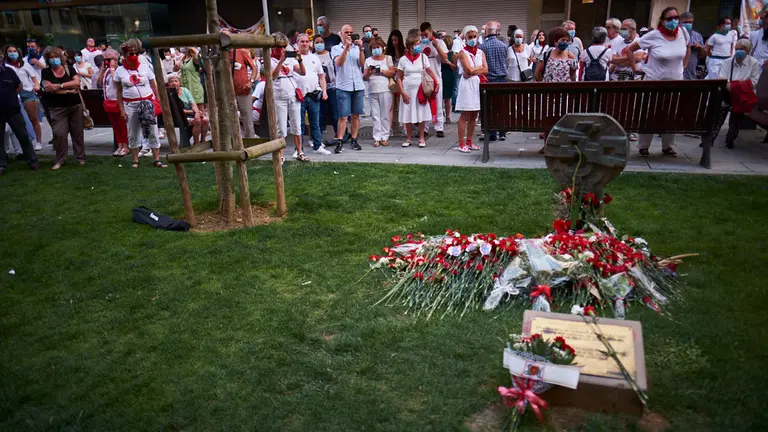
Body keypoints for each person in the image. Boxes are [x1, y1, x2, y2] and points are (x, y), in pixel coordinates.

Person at [627, 6, 690, 157]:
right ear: (662, 21)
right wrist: (635, 67)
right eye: (670, 19)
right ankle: (643, 146)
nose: (674, 21)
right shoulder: (653, 35)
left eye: (676, 18)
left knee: (671, 115)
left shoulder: (683, 33)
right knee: (650, 114)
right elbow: (630, 49)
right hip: (654, 82)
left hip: (675, 82)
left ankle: (667, 146)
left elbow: (687, 48)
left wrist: (685, 65)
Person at [114, 39, 166, 169]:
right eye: (131, 54)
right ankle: (135, 160)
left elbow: (154, 84)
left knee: (153, 130)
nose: (134, 56)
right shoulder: (119, 71)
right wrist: (121, 110)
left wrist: (158, 100)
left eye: (136, 53)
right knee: (133, 132)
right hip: (130, 105)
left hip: (147, 103)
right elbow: (118, 92)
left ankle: (156, 159)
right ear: (124, 56)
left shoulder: (144, 67)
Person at [40, 46, 85, 170]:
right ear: (47, 60)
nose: (54, 59)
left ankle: (80, 158)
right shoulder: (45, 72)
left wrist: (59, 85)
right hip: (56, 107)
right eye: (51, 58)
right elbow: (48, 89)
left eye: (56, 57)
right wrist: (68, 91)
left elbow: (77, 83)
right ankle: (60, 159)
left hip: (74, 105)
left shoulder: (70, 69)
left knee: (77, 133)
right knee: (59, 134)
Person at [269, 34, 308, 162]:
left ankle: (299, 151)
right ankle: (281, 155)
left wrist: (300, 59)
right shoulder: (269, 59)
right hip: (279, 95)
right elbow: (273, 76)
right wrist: (281, 60)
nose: (282, 49)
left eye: (284, 47)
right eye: (279, 47)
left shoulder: (290, 59)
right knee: (281, 127)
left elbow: (302, 72)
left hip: (293, 95)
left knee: (297, 125)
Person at [396, 34, 439, 147]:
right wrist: (402, 92)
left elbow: (429, 71)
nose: (417, 46)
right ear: (409, 47)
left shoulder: (423, 57)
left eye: (418, 44)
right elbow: (399, 78)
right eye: (415, 45)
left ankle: (421, 138)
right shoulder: (403, 60)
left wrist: (436, 81)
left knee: (421, 113)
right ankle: (408, 138)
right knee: (408, 114)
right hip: (407, 89)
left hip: (420, 90)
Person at [717, 39, 760, 149]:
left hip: (743, 94)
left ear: (748, 50)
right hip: (728, 92)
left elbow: (754, 82)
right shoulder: (727, 62)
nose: (738, 51)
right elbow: (722, 79)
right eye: (737, 49)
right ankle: (712, 137)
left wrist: (736, 86)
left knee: (737, 116)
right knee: (720, 113)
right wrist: (734, 86)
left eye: (742, 49)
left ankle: (730, 139)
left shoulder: (753, 63)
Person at [330, 24, 366, 153]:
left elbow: (362, 64)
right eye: (346, 32)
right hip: (343, 86)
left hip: (358, 85)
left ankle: (354, 140)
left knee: (356, 115)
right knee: (343, 116)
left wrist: (361, 48)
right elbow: (339, 62)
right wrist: (346, 48)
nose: (349, 34)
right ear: (341, 34)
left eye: (351, 32)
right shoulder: (335, 48)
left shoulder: (357, 48)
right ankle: (340, 141)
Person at [0, 62, 38, 174]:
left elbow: (19, 85)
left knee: (23, 135)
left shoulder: (9, 71)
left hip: (13, 110)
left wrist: (10, 96)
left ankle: (32, 160)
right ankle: (2, 164)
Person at [3, 45, 43, 151]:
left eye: (14, 51)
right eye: (10, 51)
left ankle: (38, 142)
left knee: (33, 119)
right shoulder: (5, 67)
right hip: (14, 95)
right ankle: (21, 146)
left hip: (27, 93)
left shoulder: (25, 64)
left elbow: (34, 79)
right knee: (20, 122)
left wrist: (36, 86)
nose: (12, 53)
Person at [295, 33, 329, 155]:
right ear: (297, 43)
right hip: (298, 95)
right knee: (299, 124)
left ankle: (318, 146)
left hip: (313, 94)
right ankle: (298, 150)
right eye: (302, 42)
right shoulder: (293, 58)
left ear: (309, 43)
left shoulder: (315, 57)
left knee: (315, 122)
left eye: (306, 41)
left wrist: (324, 91)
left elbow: (321, 76)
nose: (304, 44)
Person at [455, 25, 487, 153]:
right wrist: (478, 69)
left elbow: (486, 69)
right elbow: (467, 70)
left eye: (474, 36)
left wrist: (474, 70)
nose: (472, 39)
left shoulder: (481, 52)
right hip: (467, 86)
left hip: (476, 84)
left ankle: (469, 141)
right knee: (465, 114)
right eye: (470, 37)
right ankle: (461, 143)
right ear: (466, 38)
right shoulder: (463, 53)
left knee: (474, 114)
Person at [96, 48, 129, 157]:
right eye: (105, 59)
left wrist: (113, 69)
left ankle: (125, 146)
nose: (107, 61)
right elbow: (99, 83)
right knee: (115, 126)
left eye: (109, 59)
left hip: (118, 102)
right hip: (108, 101)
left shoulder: (120, 70)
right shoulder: (105, 72)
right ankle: (119, 146)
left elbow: (116, 83)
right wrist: (102, 69)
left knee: (122, 125)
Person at [419, 22, 449, 138]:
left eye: (426, 34)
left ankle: (439, 127)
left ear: (431, 31)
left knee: (437, 103)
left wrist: (436, 46)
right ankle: (425, 128)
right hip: (423, 77)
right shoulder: (419, 44)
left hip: (436, 76)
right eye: (422, 35)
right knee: (424, 103)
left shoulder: (440, 42)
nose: (424, 37)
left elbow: (445, 58)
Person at [364, 37, 395, 147]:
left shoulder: (388, 58)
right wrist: (369, 72)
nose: (375, 49)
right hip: (373, 90)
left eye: (377, 47)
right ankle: (377, 137)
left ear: (383, 48)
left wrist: (381, 71)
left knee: (385, 114)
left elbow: (392, 72)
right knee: (375, 115)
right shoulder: (368, 60)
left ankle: (385, 137)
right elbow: (365, 77)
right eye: (373, 48)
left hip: (385, 89)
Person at [480, 21, 507, 141]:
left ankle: (491, 133)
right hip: (502, 79)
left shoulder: (482, 47)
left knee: (489, 108)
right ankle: (502, 132)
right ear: (496, 32)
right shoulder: (503, 46)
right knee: (501, 107)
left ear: (486, 33)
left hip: (489, 80)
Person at [229, 40, 259, 138]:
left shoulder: (240, 52)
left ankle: (250, 143)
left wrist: (251, 81)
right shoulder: (219, 54)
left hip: (243, 90)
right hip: (228, 92)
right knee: (230, 118)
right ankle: (234, 142)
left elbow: (254, 68)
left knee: (247, 118)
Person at [168, 74, 209, 145]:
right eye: (171, 82)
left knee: (205, 120)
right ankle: (196, 142)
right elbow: (179, 111)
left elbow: (193, 104)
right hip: (179, 117)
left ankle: (203, 140)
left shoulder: (185, 90)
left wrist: (197, 112)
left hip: (190, 114)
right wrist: (193, 112)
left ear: (179, 83)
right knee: (197, 121)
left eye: (176, 81)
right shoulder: (169, 94)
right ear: (169, 84)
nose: (174, 83)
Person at [314, 35, 338, 137]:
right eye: (317, 42)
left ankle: (339, 134)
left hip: (332, 87)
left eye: (321, 42)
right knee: (320, 113)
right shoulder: (312, 56)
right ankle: (318, 136)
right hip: (318, 89)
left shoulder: (331, 55)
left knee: (335, 112)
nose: (319, 44)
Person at [387, 30, 406, 128]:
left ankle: (404, 126)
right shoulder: (388, 52)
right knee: (390, 105)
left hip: (402, 79)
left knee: (402, 103)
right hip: (391, 79)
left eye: (396, 40)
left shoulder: (405, 51)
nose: (394, 42)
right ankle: (389, 127)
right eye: (392, 40)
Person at [681, 12, 705, 80]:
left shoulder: (697, 36)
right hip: (677, 72)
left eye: (690, 22)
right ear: (680, 22)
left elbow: (702, 55)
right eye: (686, 22)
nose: (688, 24)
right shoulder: (675, 35)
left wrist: (700, 47)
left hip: (691, 72)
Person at [441, 35, 457, 124]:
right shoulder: (441, 53)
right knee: (444, 98)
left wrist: (448, 63)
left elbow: (456, 67)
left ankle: (447, 116)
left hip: (448, 75)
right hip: (444, 74)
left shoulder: (452, 54)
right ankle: (445, 115)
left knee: (447, 97)